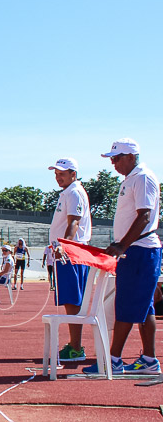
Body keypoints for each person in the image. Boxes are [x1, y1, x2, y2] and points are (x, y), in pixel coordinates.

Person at [85, 139, 161, 375]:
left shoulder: (142, 178)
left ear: (131, 156)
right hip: (137, 249)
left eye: (116, 158)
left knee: (127, 305)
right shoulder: (132, 179)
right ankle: (149, 360)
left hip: (139, 249)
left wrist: (122, 245)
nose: (113, 163)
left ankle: (113, 360)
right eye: (112, 158)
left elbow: (144, 216)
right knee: (144, 307)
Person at [47, 157, 93, 364]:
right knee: (71, 301)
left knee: (72, 301)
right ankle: (75, 345)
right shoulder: (70, 191)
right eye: (56, 174)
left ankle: (76, 347)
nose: (58, 177)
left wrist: (63, 246)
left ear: (73, 174)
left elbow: (74, 221)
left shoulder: (74, 192)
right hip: (70, 252)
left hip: (70, 254)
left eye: (62, 174)